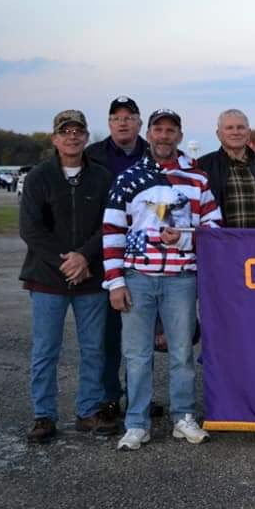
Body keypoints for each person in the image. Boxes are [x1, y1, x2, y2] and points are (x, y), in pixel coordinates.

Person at [103, 108, 222, 451]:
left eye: (172, 130)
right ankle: (137, 422)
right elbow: (113, 231)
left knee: (182, 352)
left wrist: (184, 238)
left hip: (181, 278)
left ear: (180, 136)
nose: (165, 135)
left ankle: (183, 416)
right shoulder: (128, 176)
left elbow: (214, 228)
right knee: (137, 354)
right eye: (159, 129)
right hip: (138, 275)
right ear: (149, 134)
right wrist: (115, 282)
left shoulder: (197, 179)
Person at [19, 110, 115, 443]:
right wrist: (67, 261)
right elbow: (31, 229)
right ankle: (43, 415)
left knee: (93, 349)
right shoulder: (38, 177)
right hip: (48, 278)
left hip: (91, 277)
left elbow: (110, 225)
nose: (72, 137)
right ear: (54, 138)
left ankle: (88, 411)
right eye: (65, 131)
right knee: (46, 349)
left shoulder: (102, 177)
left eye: (78, 131)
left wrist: (84, 257)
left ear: (87, 138)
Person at [86, 96, 149, 431]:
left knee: (142, 336)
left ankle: (142, 397)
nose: (123, 123)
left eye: (130, 117)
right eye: (116, 118)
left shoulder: (152, 154)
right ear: (109, 123)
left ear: (139, 123)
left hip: (144, 258)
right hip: (106, 254)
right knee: (109, 336)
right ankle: (110, 397)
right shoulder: (92, 156)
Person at [198, 109, 255, 229]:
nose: (235, 132)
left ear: (248, 133)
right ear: (218, 134)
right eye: (229, 128)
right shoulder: (203, 167)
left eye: (240, 127)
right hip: (222, 245)